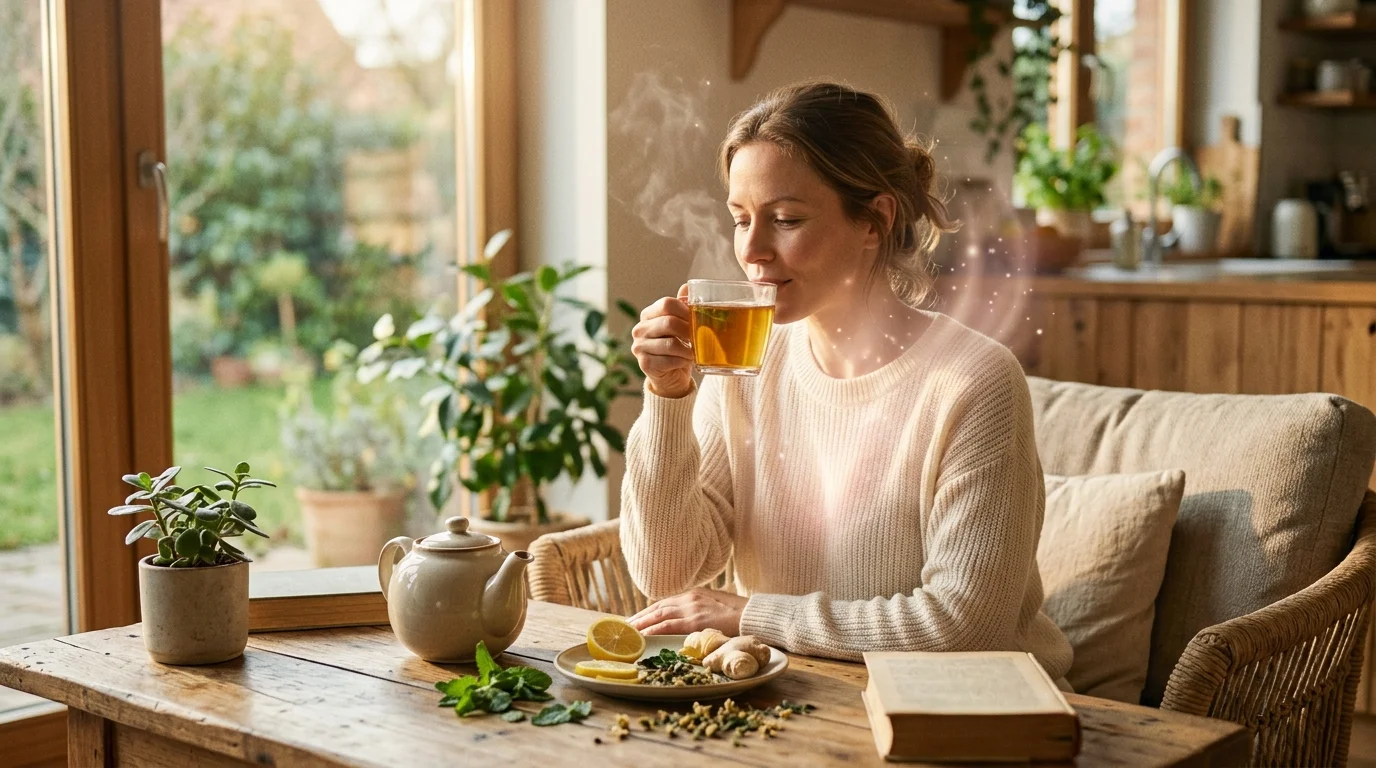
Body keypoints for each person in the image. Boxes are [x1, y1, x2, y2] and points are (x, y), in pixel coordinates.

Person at [620, 81, 1072, 683]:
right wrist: (668, 398)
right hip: (793, 694)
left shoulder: (973, 381)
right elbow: (667, 571)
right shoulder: (744, 365)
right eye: (739, 219)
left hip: (967, 707)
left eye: (785, 219)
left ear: (874, 222)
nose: (752, 250)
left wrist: (753, 613)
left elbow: (964, 627)